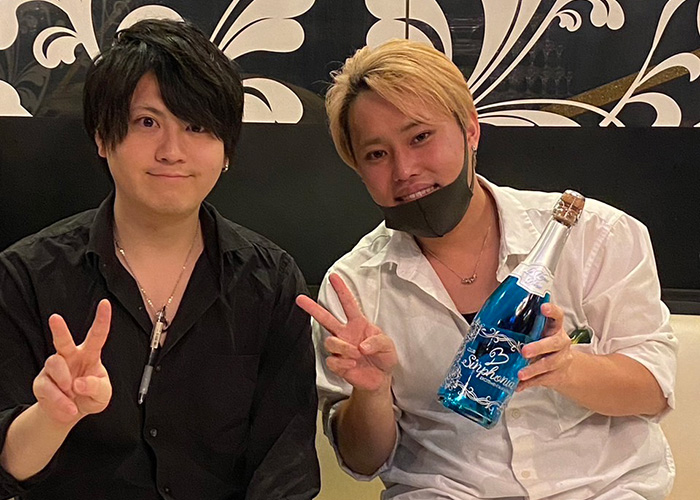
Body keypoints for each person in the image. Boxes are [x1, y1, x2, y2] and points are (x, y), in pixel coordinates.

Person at [296, 39, 677, 500]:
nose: (404, 169)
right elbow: (363, 461)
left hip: (605, 490)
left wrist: (566, 367)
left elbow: (653, 391)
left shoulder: (596, 235)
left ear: (471, 130)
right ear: (358, 169)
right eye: (377, 154)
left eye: (420, 137)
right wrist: (373, 393)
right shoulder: (353, 285)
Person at [0, 19, 319, 500]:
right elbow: (7, 469)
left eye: (196, 126)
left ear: (227, 150)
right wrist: (52, 416)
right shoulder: (26, 276)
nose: (172, 151)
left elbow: (285, 468)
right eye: (147, 122)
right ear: (103, 137)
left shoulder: (270, 282)